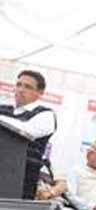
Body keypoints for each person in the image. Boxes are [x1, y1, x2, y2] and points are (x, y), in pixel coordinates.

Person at [0, 70, 56, 199]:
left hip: (20, 183)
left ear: (40, 93)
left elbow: (27, 130)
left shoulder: (46, 115)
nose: (20, 90)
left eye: (28, 87)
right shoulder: (2, 109)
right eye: (18, 85)